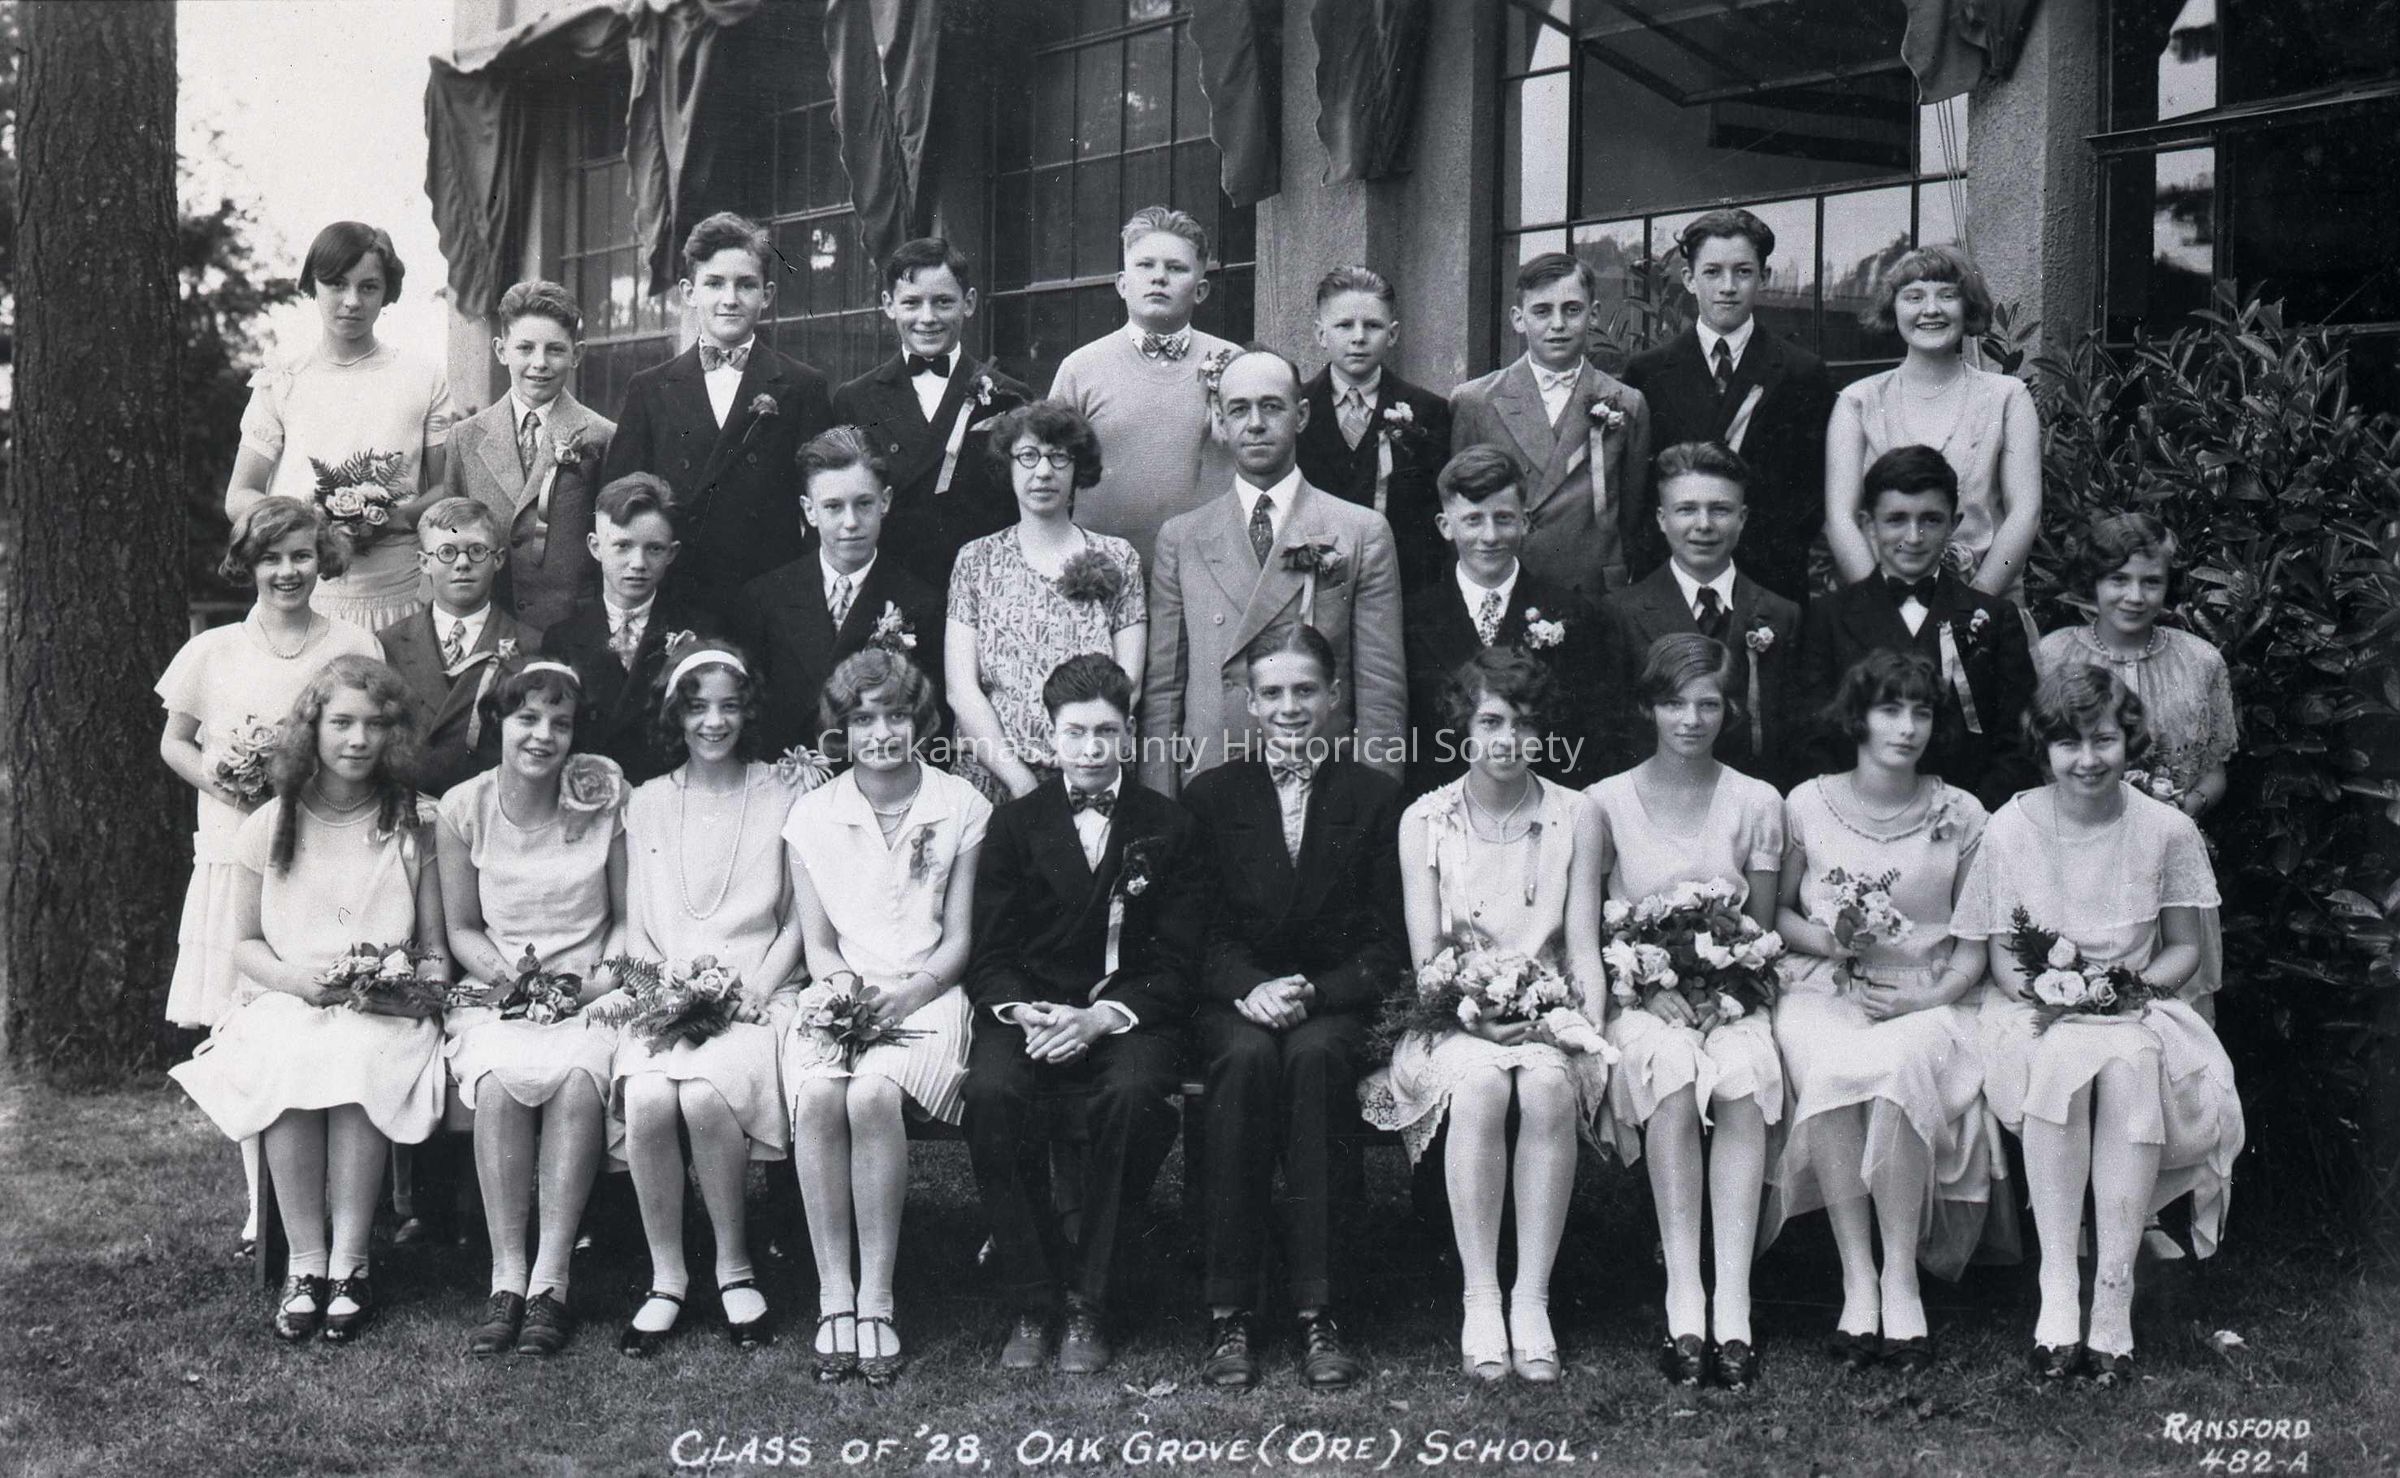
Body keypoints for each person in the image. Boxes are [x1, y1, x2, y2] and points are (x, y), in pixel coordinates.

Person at [1950, 667, 2242, 1386]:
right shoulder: (2012, 826)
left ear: (2129, 741)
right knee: (2066, 1058)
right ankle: (2058, 1287)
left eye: (2104, 740)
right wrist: (2056, 995)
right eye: (2069, 744)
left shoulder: (2166, 828)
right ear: (2044, 749)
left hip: (2138, 1008)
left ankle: (2113, 1294)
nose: (2088, 759)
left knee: (2129, 1061)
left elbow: (2185, 947)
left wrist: (2127, 991)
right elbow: (2000, 953)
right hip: (2032, 1013)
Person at [169, 656, 448, 1343]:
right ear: (311, 729)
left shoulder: (415, 821)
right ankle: (305, 1262)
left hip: (382, 1007)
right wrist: (298, 984)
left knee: (357, 1057)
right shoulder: (269, 822)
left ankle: (351, 1264)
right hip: (288, 995)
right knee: (289, 1053)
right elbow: (244, 943)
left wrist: (408, 993)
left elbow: (435, 948)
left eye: (374, 725)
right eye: (341, 722)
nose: (358, 739)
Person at [1358, 648, 1609, 1384]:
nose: (1508, 740)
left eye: (1525, 724)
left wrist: (1579, 1024)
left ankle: (1532, 1298)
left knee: (1547, 1086)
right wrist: (1472, 1015)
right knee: (1481, 1085)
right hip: (1451, 1019)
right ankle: (1480, 1297)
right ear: (1462, 728)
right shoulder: (1425, 820)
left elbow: (1583, 947)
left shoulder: (1576, 815)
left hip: (1550, 1014)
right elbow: (1428, 959)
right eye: (1492, 722)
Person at [963, 654, 1205, 1375]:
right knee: (992, 1093)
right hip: (1035, 1013)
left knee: (1134, 1095)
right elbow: (990, 953)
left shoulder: (1168, 825)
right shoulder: (1015, 824)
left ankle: (1090, 1300)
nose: (1092, 749)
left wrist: (1103, 1018)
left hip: (1126, 1015)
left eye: (1106, 731)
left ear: (1128, 732)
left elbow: (1179, 961)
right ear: (1051, 734)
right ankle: (1032, 1296)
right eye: (1075, 732)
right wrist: (1028, 1013)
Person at [1180, 624, 1403, 1391]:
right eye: (1271, 692)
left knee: (1314, 1061)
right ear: (1248, 702)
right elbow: (1196, 931)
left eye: (1305, 690)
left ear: (1334, 696)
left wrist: (1317, 993)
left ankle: (1319, 1306)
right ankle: (1230, 1309)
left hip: (1331, 1000)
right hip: (1236, 998)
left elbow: (1386, 939)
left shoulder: (1374, 798)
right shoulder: (1211, 796)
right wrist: (1248, 987)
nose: (1288, 707)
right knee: (1243, 1060)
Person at [157, 498, 383, 1255]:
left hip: (325, 851)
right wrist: (226, 783)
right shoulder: (214, 649)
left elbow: (368, 732)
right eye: (271, 558)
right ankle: (266, 1207)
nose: (288, 572)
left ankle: (343, 1205)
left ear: (324, 560)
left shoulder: (351, 641)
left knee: (321, 1019)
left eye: (302, 555)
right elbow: (175, 742)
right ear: (247, 565)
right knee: (248, 1027)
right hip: (237, 848)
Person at [1765, 651, 1995, 1371]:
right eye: (1890, 710)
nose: (1907, 727)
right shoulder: (1807, 803)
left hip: (1930, 993)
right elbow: (1776, 913)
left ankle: (1900, 1276)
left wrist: (1931, 994)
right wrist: (1831, 940)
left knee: (1895, 1071)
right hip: (1823, 986)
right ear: (1858, 717)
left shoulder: (1963, 813)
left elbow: (1975, 943)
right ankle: (1856, 1277)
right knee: (1834, 1069)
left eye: (1921, 712)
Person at [782, 648, 991, 1387]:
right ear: (841, 728)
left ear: (919, 722)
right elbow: (818, 944)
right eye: (864, 718)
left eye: (896, 715)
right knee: (819, 1094)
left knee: (872, 1094)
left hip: (930, 992)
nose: (881, 733)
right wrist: (845, 993)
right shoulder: (811, 815)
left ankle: (877, 1296)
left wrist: (907, 995)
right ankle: (832, 1295)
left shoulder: (961, 805)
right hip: (841, 990)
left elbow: (959, 941)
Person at [1592, 634, 1787, 1391]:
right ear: (1649, 707)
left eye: (1709, 704)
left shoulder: (1757, 802)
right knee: (1670, 1074)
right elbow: (1595, 928)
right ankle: (1684, 1298)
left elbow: (1760, 930)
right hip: (1640, 1000)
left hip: (1733, 1001)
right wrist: (1647, 989)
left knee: (1740, 1078)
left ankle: (1734, 1303)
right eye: (1674, 703)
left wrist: (1728, 993)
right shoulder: (1604, 803)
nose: (1691, 719)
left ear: (1729, 710)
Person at [612, 636, 809, 1357]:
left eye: (729, 707)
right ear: (676, 715)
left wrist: (755, 988)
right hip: (667, 993)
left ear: (748, 711)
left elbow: (797, 920)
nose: (714, 722)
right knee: (645, 1097)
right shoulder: (649, 801)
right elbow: (639, 923)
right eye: (698, 708)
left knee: (702, 1093)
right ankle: (667, 1276)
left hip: (758, 993)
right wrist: (665, 991)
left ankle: (733, 1266)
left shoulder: (783, 793)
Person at [434, 660, 628, 1358]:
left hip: (592, 991)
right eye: (527, 718)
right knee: (497, 1080)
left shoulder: (604, 795)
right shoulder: (464, 808)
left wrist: (591, 988)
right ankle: (506, 1279)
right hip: (499, 991)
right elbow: (461, 929)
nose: (543, 735)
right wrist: (514, 984)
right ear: (498, 722)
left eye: (560, 723)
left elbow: (627, 920)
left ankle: (552, 1283)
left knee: (578, 1077)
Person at [1143, 348, 1407, 795]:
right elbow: (1162, 695)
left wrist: (1374, 805)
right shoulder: (1182, 538)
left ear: (1301, 415)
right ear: (1220, 421)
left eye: (1271, 407)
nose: (1255, 424)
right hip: (1211, 781)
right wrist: (1160, 808)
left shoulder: (1361, 531)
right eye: (1238, 409)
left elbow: (1380, 692)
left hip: (1323, 783)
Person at [597, 211, 834, 625]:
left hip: (770, 596)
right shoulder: (650, 389)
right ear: (689, 292)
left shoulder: (801, 387)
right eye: (714, 283)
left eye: (746, 284)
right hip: (677, 595)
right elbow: (617, 507)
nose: (730, 299)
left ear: (767, 294)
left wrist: (800, 589)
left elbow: (823, 500)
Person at [225, 221, 457, 631]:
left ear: (386, 293)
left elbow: (447, 488)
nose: (351, 301)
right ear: (314, 285)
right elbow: (239, 495)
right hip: (303, 594)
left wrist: (388, 519)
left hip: (396, 593)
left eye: (368, 287)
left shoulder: (422, 376)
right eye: (336, 284)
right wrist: (307, 523)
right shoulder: (283, 378)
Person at [1797, 446, 2035, 808]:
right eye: (1896, 519)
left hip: (1966, 818)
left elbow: (2017, 743)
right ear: (1868, 524)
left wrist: (1967, 817)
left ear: (1954, 524)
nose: (1913, 537)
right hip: (1856, 818)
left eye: (1931, 520)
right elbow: (1810, 738)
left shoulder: (1996, 618)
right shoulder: (1827, 617)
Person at [1623, 209, 1834, 604]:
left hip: (1769, 582)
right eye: (1712, 272)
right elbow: (1639, 492)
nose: (1728, 287)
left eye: (1743, 272)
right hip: (1673, 581)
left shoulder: (1801, 372)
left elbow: (1812, 492)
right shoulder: (1647, 372)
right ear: (1689, 279)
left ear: (1764, 277)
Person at [945, 401, 1146, 802]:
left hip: (1090, 776)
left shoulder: (1118, 557)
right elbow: (961, 688)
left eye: (1058, 457)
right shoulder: (976, 559)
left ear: (1077, 468)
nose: (1043, 472)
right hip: (994, 776)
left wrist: (1080, 769)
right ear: (1009, 465)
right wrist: (1018, 780)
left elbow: (1129, 684)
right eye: (1028, 456)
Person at [1826, 245, 2040, 597]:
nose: (1931, 309)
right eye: (1914, 297)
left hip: (1989, 602)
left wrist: (1976, 602)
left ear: (1967, 306)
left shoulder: (2008, 397)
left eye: (1947, 295)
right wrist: (1877, 605)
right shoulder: (1857, 401)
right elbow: (1840, 518)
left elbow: (2025, 514)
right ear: (1893, 308)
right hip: (1882, 604)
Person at [730, 425, 947, 759]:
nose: (851, 522)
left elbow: (929, 723)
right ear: (809, 510)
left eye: (864, 504)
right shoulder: (764, 598)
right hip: (786, 772)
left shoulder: (921, 603)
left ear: (885, 501)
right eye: (833, 506)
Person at [1449, 252, 1652, 603]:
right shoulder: (1475, 401)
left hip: (1593, 588)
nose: (1558, 324)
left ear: (1594, 314)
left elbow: (1632, 513)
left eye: (1572, 310)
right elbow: (1460, 505)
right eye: (1542, 311)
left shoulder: (1627, 402)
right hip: (1507, 584)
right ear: (1518, 318)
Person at [830, 237, 1032, 587]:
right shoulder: (855, 399)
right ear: (888, 305)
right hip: (889, 587)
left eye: (943, 302)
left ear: (969, 303)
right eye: (911, 303)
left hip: (982, 584)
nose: (927, 318)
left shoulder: (1008, 396)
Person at [1595, 442, 1801, 783]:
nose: (1703, 524)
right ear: (1662, 519)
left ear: (1742, 518)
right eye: (1686, 509)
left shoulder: (1781, 615)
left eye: (1720, 509)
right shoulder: (1621, 613)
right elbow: (1612, 736)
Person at [1046, 206, 1240, 566]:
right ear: (1122, 284)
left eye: (1176, 268)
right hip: (1101, 570)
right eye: (1145, 265)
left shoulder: (1234, 363)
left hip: (1207, 569)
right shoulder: (1079, 368)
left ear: (1200, 290)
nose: (1159, 278)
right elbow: (1049, 476)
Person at [1401, 444, 1598, 797]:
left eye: (1503, 518)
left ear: (1525, 521)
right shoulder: (1411, 617)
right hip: (1444, 802)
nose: (1490, 536)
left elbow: (1588, 736)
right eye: (1473, 520)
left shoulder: (1572, 613)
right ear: (1445, 526)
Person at [439, 279, 614, 631]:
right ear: (501, 350)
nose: (539, 363)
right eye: (525, 348)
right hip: (490, 619)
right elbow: (451, 533)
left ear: (576, 354)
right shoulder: (465, 437)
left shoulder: (601, 436)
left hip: (570, 624)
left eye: (555, 350)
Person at [1296, 265, 1454, 593]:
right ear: (1320, 334)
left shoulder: (1429, 411)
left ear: (1392, 334)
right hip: (1312, 585)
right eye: (1344, 325)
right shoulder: (1296, 408)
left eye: (1372, 325)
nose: (1358, 337)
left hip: (1401, 587)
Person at [547, 475, 711, 785]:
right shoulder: (563, 638)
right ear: (595, 547)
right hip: (592, 793)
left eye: (654, 549)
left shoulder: (698, 631)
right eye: (622, 546)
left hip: (673, 791)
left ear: (672, 553)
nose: (638, 563)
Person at [379, 497, 548, 798]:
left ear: (498, 559)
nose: (462, 563)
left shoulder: (530, 644)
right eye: (446, 552)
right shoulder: (388, 643)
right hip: (412, 805)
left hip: (493, 805)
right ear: (424, 562)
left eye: (477, 550)